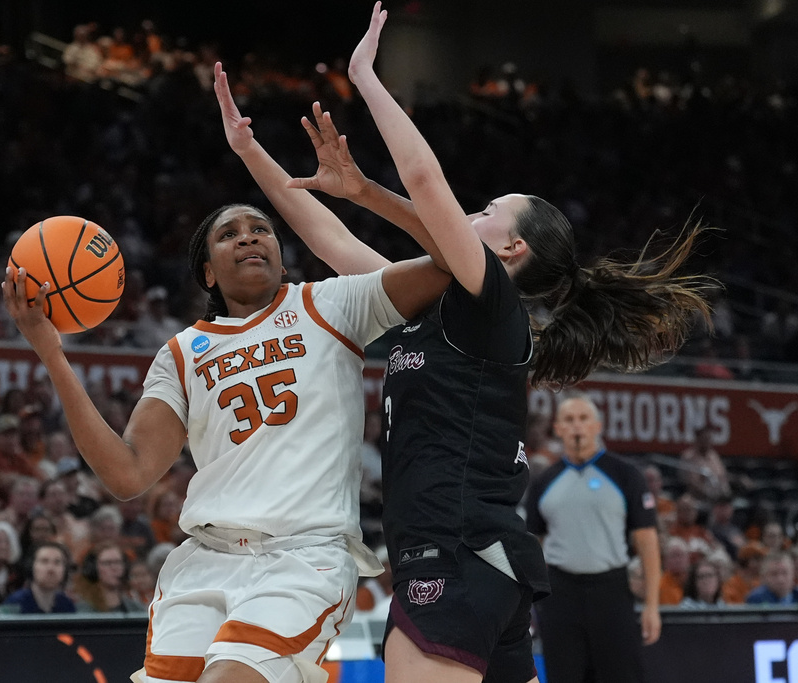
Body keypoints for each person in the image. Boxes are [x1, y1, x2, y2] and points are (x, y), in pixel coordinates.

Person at [272, 7, 710, 682]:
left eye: (486, 212)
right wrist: (251, 152)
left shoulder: (494, 305)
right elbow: (334, 243)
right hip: (484, 570)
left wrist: (366, 77)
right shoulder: (435, 306)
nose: (468, 213)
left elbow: (425, 185)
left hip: (451, 561)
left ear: (511, 247)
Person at [3, 64, 448, 683]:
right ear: (207, 272)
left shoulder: (331, 303)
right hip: (204, 561)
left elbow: (450, 260)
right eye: (230, 233)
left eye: (261, 228)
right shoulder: (182, 352)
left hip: (303, 560)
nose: (250, 237)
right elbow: (127, 474)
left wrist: (368, 193)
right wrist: (50, 350)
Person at [525, 395, 662, 683]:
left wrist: (651, 604)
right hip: (560, 594)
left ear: (598, 425)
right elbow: (532, 543)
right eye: (570, 420)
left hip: (611, 590)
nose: (577, 426)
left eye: (584, 418)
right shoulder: (543, 481)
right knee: (565, 675)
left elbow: (647, 541)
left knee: (623, 675)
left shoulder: (626, 475)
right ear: (558, 428)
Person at [3, 541, 76, 614]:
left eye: (57, 562)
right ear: (31, 567)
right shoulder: (16, 602)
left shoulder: (66, 604)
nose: (51, 569)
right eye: (44, 561)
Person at [73, 542, 145, 614]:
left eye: (118, 562)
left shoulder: (136, 609)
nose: (114, 568)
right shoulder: (83, 610)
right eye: (107, 563)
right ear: (93, 568)